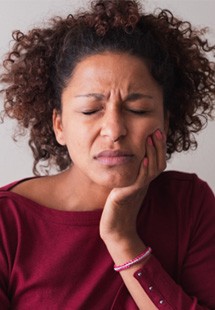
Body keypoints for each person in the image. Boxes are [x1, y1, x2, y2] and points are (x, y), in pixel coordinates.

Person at [0, 0, 214, 309]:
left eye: (137, 109)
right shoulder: (9, 224)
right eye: (90, 110)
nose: (114, 130)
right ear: (59, 125)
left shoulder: (189, 204)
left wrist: (122, 238)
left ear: (165, 122)